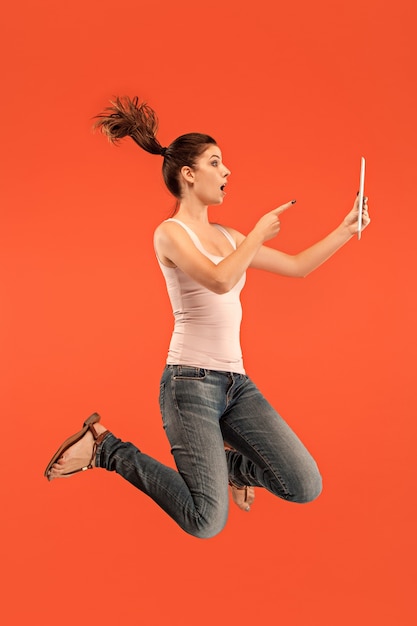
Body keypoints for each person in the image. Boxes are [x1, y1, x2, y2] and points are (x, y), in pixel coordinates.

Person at [44, 96, 370, 537]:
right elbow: (218, 281)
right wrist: (254, 235)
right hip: (189, 384)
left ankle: (231, 469)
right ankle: (108, 449)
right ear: (188, 174)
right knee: (206, 522)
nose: (227, 172)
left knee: (303, 484)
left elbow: (297, 266)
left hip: (236, 384)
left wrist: (346, 229)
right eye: (216, 163)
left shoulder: (227, 235)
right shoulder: (170, 234)